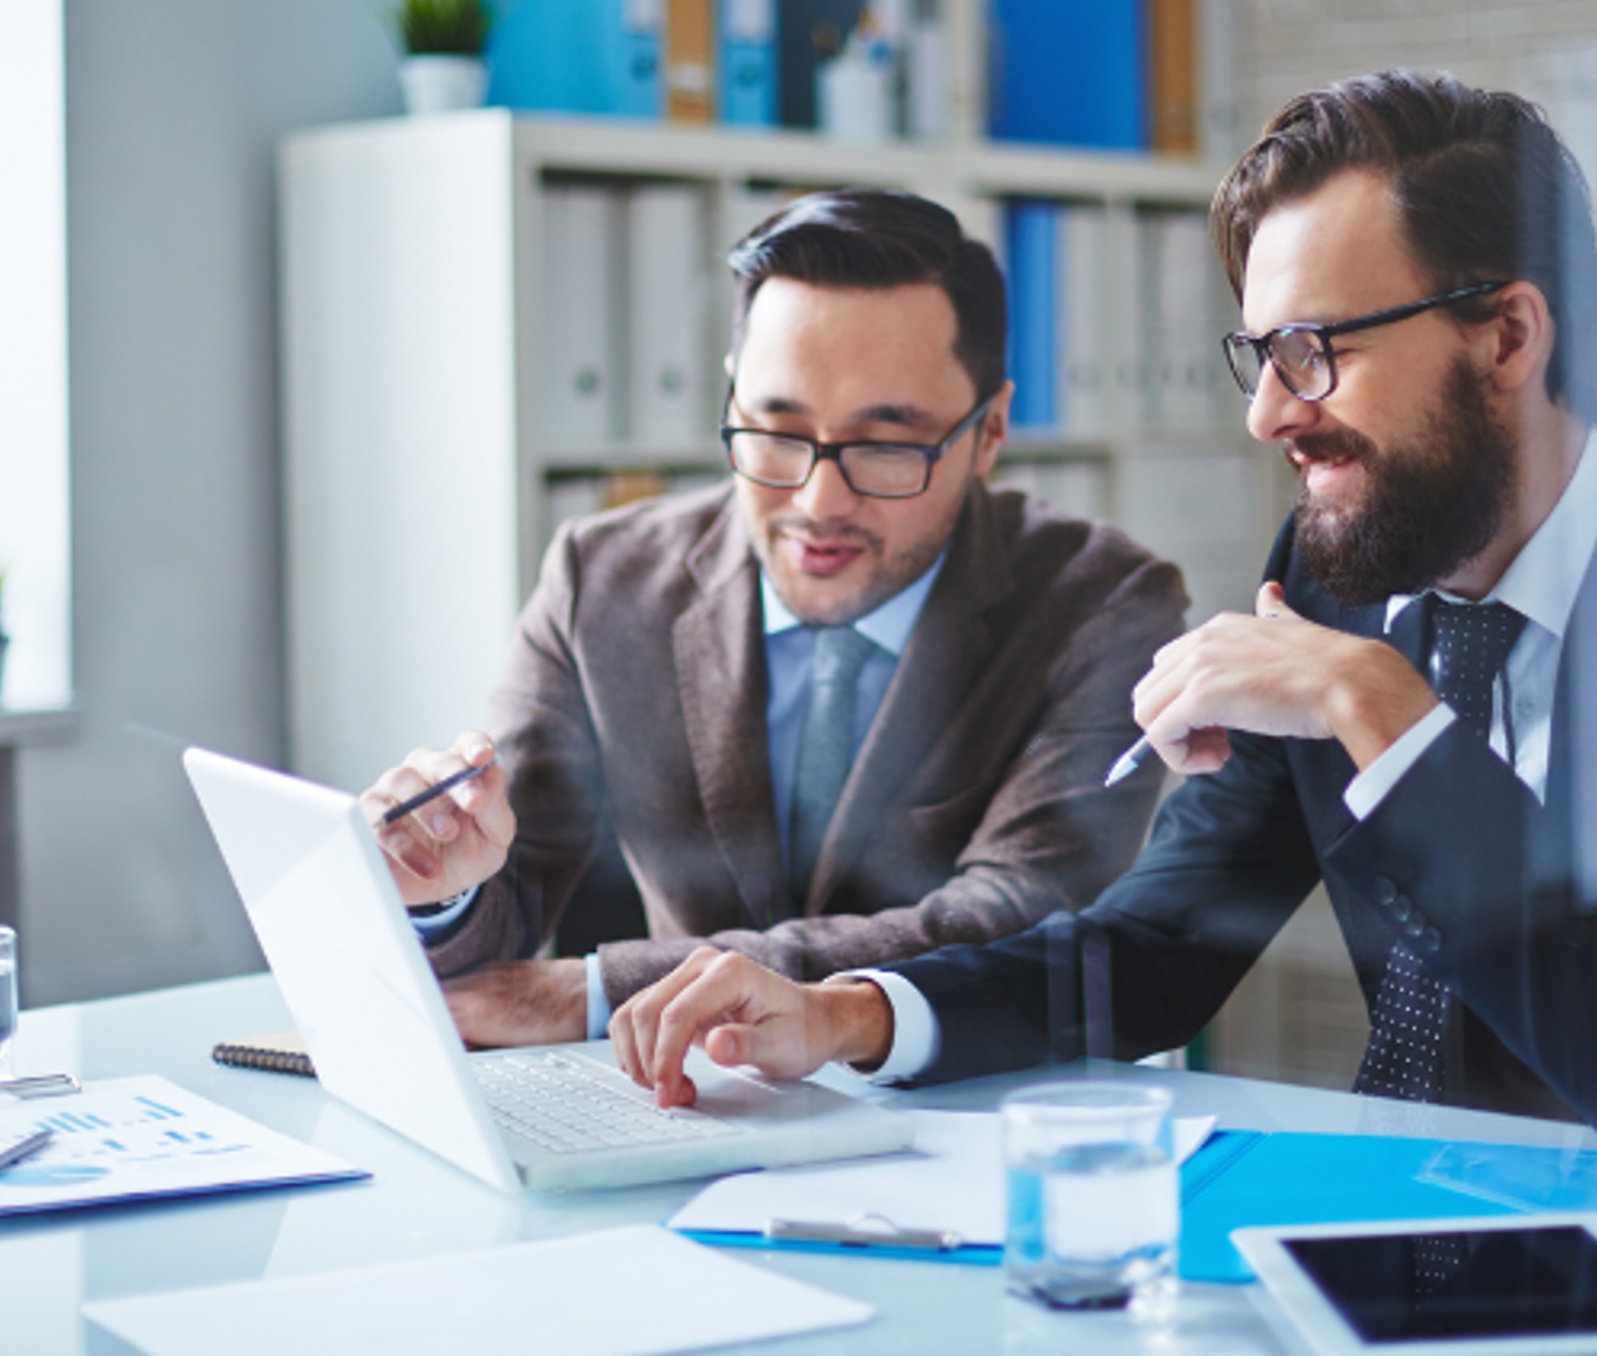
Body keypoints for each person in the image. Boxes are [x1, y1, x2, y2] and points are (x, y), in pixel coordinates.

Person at [610, 71, 1597, 1155]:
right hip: (1422, 1221)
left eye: (1315, 350)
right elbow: (1154, 946)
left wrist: (1382, 710)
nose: (1270, 417)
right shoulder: (1335, 566)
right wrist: (851, 1013)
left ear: (1506, 334)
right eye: (1260, 358)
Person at [367, 189, 1189, 1047]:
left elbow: (1018, 918)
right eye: (776, 431)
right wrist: (439, 880)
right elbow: (510, 888)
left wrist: (599, 990)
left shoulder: (1104, 604)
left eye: (885, 445)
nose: (817, 501)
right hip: (682, 1106)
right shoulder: (600, 581)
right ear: (730, 401)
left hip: (969, 1113)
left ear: (990, 432)